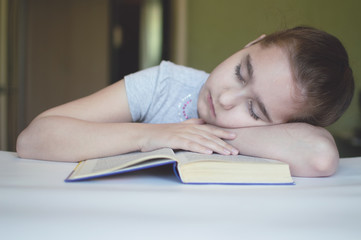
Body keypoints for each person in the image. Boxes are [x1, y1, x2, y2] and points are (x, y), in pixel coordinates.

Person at [16, 26, 354, 177]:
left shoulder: (285, 138)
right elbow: (34, 139)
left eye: (254, 109)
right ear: (253, 42)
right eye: (240, 71)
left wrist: (210, 131)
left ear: (289, 126)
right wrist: (153, 135)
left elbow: (321, 157)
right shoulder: (166, 85)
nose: (224, 98)